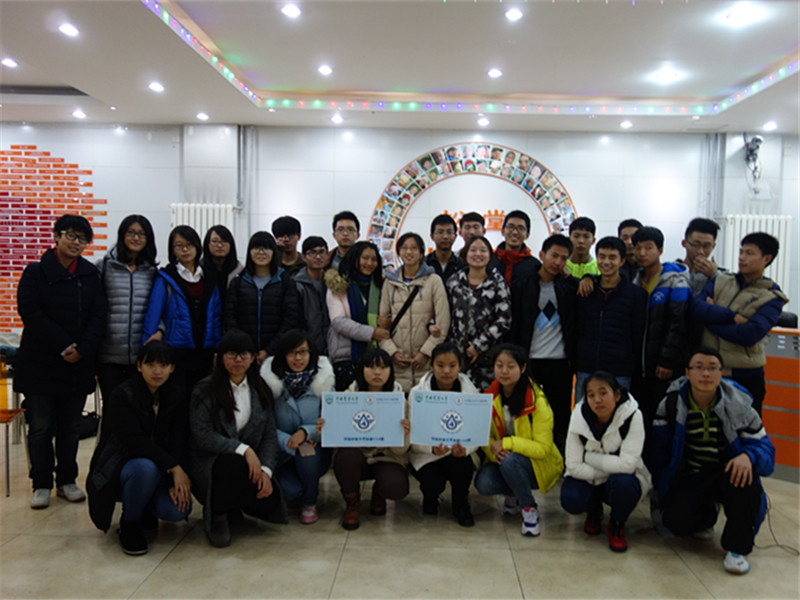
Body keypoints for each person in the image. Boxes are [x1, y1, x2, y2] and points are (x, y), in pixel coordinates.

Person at [649, 348, 775, 575]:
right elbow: (660, 454)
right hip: (693, 476)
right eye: (698, 367)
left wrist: (749, 456)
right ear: (687, 373)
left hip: (730, 474)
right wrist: (662, 492)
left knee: (744, 478)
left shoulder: (740, 405)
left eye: (712, 368)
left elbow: (766, 451)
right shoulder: (671, 404)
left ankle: (737, 551)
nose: (705, 374)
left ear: (721, 373)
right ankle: (705, 517)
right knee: (675, 521)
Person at [16, 214, 107, 509]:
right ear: (56, 236)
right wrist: (64, 344)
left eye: (82, 238)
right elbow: (30, 312)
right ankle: (41, 483)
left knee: (70, 427)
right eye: (70, 235)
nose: (76, 242)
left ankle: (67, 480)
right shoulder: (35, 272)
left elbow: (99, 316)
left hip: (77, 364)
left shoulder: (90, 275)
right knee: (41, 427)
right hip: (41, 362)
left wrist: (83, 348)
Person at [87, 340, 191, 555]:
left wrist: (177, 474)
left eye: (163, 365)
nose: (157, 371)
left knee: (177, 510)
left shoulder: (177, 395)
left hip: (161, 468)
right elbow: (133, 441)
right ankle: (130, 524)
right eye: (150, 364)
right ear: (139, 366)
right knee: (145, 468)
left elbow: (179, 439)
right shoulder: (123, 395)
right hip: (123, 467)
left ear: (172, 368)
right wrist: (174, 467)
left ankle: (145, 509)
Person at [188, 329, 288, 547]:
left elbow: (269, 437)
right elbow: (202, 434)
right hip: (209, 462)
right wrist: (243, 449)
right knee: (232, 463)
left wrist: (266, 470)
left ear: (253, 358)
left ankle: (234, 506)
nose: (238, 360)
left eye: (244, 354)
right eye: (231, 354)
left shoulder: (260, 389)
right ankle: (218, 516)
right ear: (221, 358)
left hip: (248, 465)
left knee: (269, 500)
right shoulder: (205, 389)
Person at [691, 232, 788, 414]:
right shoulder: (721, 280)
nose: (742, 258)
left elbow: (749, 334)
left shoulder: (772, 297)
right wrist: (731, 317)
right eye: (741, 252)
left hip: (744, 374)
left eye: (749, 253)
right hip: (709, 371)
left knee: (744, 428)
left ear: (767, 259)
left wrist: (710, 319)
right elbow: (696, 308)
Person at [317, 348, 410, 530]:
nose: (377, 372)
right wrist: (326, 428)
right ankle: (353, 502)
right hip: (357, 457)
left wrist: (404, 434)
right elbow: (337, 438)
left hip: (387, 458)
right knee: (345, 458)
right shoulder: (347, 397)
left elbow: (400, 451)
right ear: (361, 369)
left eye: (383, 367)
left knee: (396, 487)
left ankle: (379, 492)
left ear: (391, 371)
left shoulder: (399, 401)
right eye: (371, 367)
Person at [475, 344, 563, 536]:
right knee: (484, 483)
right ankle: (513, 493)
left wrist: (507, 444)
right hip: (505, 460)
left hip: (537, 465)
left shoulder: (537, 401)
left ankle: (529, 508)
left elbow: (543, 448)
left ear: (523, 368)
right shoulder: (489, 396)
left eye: (511, 366)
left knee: (510, 461)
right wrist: (494, 451)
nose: (504, 371)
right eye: (499, 365)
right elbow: (484, 435)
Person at [560, 372, 651, 553]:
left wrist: (588, 458)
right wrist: (614, 468)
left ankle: (617, 523)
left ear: (617, 395)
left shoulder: (633, 416)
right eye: (591, 395)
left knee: (625, 486)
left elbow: (628, 465)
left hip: (619, 480)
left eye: (603, 393)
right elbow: (573, 465)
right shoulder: (578, 416)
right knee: (571, 497)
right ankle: (594, 510)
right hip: (592, 478)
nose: (597, 400)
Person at [510, 234, 578, 452]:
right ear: (541, 255)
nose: (558, 262)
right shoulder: (522, 285)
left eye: (564, 258)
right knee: (528, 412)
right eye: (553, 255)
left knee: (559, 414)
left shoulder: (569, 288)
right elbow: (515, 324)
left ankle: (557, 457)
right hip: (530, 360)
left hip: (560, 362)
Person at [261, 330, 333, 525]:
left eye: (303, 352)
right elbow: (264, 426)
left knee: (307, 452)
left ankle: (309, 502)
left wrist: (306, 432)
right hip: (280, 452)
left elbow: (332, 423)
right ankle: (296, 491)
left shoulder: (325, 381)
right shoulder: (269, 384)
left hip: (314, 450)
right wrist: (287, 440)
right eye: (292, 353)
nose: (298, 358)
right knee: (288, 491)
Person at [142, 225, 222, 392]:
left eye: (189, 244)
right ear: (172, 249)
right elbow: (153, 315)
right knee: (176, 400)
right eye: (179, 245)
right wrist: (147, 351)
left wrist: (217, 351)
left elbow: (216, 317)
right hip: (175, 352)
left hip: (205, 352)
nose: (185, 249)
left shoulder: (209, 278)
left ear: (197, 247)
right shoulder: (165, 278)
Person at [408, 342, 480, 526]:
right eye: (440, 365)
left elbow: (476, 431)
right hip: (427, 454)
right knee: (432, 480)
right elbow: (413, 433)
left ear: (460, 367)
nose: (446, 371)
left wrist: (466, 449)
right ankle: (430, 497)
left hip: (458, 452)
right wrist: (430, 449)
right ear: (431, 366)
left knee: (462, 465)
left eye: (452, 365)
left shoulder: (471, 393)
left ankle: (461, 504)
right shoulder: (417, 394)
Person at [631, 226, 690, 430]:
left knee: (662, 418)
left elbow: (678, 323)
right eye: (638, 248)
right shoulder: (636, 281)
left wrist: (667, 360)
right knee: (640, 418)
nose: (642, 253)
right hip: (640, 366)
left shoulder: (675, 281)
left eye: (648, 248)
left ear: (660, 250)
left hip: (663, 366)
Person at [574, 236, 647, 401]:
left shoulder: (636, 295)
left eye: (612, 257)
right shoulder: (586, 291)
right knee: (582, 413)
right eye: (602, 256)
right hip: (587, 367)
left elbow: (638, 335)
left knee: (620, 413)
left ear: (622, 261)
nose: (606, 262)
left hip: (619, 370)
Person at [96, 214, 158, 403]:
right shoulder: (104, 266)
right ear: (122, 235)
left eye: (141, 234)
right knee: (112, 407)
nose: (136, 238)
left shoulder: (152, 272)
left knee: (139, 408)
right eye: (131, 232)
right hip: (109, 354)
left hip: (141, 356)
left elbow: (159, 309)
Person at [380, 232, 451, 391]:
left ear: (421, 253)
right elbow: (382, 325)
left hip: (426, 363)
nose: (409, 252)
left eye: (414, 248)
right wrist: (392, 352)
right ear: (398, 252)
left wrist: (425, 353)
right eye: (404, 248)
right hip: (398, 363)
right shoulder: (390, 283)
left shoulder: (433, 281)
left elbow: (443, 322)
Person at [223, 231, 301, 365]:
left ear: (274, 252)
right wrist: (245, 348)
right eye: (256, 248)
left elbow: (291, 318)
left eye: (266, 248)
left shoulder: (285, 282)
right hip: (244, 355)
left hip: (277, 353)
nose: (261, 252)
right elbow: (229, 317)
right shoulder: (238, 282)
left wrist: (269, 350)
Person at [446, 236, 511, 390]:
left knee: (484, 399)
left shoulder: (498, 283)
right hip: (456, 357)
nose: (478, 254)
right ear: (465, 254)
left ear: (490, 255)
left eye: (483, 250)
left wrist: (478, 345)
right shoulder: (454, 281)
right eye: (473, 250)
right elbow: (443, 312)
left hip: (486, 358)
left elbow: (504, 320)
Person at [325, 241, 391, 391]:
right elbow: (338, 322)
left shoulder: (381, 285)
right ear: (354, 258)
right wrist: (372, 333)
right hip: (346, 356)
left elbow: (390, 313)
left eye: (374, 259)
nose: (369, 263)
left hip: (376, 357)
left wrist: (388, 321)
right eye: (365, 258)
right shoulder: (337, 284)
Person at [294, 236, 331, 355]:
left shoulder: (333, 283)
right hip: (306, 348)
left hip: (332, 347)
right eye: (312, 253)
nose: (318, 257)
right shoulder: (297, 286)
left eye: (322, 252)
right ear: (304, 257)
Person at [676, 218, 725, 295]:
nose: (700, 251)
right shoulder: (671, 271)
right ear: (684, 243)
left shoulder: (722, 275)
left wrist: (715, 275)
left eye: (706, 246)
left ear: (713, 246)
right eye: (696, 245)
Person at [494, 210, 540, 286]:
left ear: (527, 235)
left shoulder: (535, 266)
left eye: (521, 228)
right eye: (510, 227)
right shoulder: (490, 261)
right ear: (502, 231)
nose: (515, 232)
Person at [201, 225, 242, 305]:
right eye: (214, 241)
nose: (220, 245)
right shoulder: (199, 272)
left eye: (224, 241)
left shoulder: (240, 272)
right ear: (207, 244)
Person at [425, 213, 465, 283]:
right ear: (432, 236)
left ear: (455, 236)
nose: (445, 236)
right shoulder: (424, 263)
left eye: (449, 232)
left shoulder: (462, 264)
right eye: (440, 232)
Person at [617, 218, 642, 282]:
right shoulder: (614, 267)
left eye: (633, 237)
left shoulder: (649, 267)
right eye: (625, 238)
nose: (629, 242)